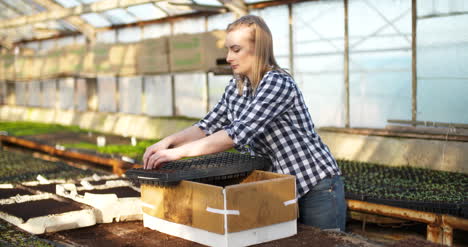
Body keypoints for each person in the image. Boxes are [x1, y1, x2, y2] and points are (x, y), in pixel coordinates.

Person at [143, 15, 346, 231]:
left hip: (315, 186)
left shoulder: (277, 82)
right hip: (280, 187)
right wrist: (167, 143)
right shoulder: (236, 87)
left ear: (258, 49)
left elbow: (237, 133)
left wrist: (177, 153)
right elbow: (207, 125)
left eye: (236, 49)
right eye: (228, 49)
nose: (229, 57)